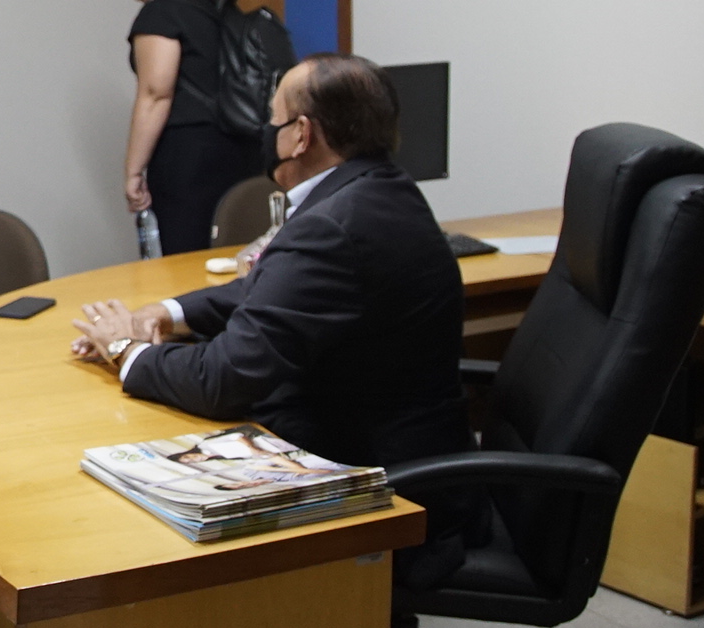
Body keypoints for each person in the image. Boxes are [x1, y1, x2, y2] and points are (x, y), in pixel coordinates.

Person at [70, 53, 473, 583]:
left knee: (135, 512)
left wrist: (125, 350)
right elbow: (272, 287)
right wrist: (167, 313)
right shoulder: (380, 189)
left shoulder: (332, 223)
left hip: (380, 485)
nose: (266, 130)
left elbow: (224, 380)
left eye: (272, 117)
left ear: (301, 135)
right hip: (398, 447)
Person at [120, 0, 257, 253]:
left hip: (189, 157)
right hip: (243, 150)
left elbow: (156, 94)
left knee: (186, 259)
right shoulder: (221, 8)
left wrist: (133, 171)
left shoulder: (161, 13)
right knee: (236, 254)